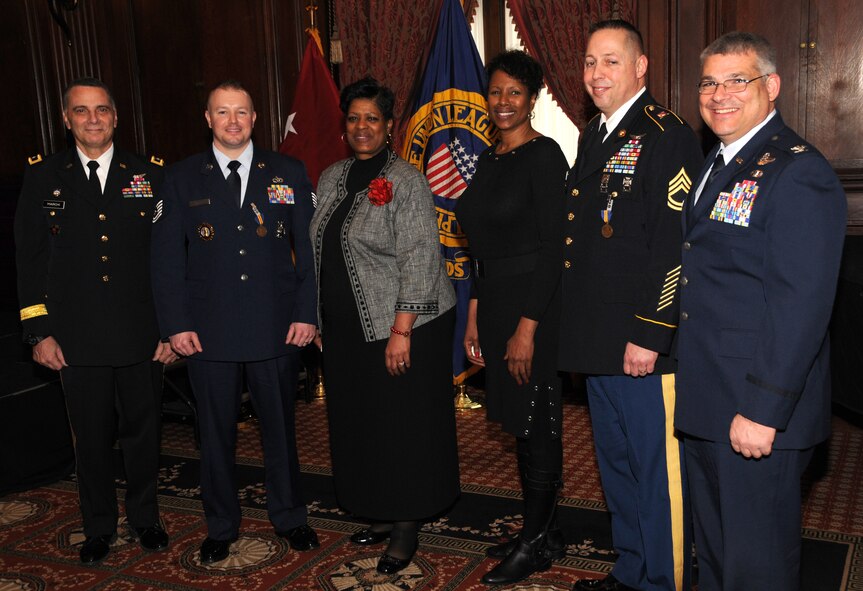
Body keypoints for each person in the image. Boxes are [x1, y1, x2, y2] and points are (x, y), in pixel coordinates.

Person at [676, 31, 846, 591]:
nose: (719, 94)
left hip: (755, 407)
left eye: (736, 81)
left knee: (758, 566)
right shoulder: (720, 160)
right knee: (720, 557)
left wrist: (764, 410)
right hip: (709, 397)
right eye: (709, 82)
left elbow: (800, 306)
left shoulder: (798, 172)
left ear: (771, 86)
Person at [558, 20, 703, 591]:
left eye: (611, 61)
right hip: (600, 338)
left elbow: (674, 247)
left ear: (641, 66)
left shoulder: (666, 133)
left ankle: (665, 579)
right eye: (591, 62)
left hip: (644, 343)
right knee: (617, 466)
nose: (597, 74)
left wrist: (651, 331)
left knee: (657, 473)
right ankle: (632, 570)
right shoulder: (595, 133)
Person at [150, 80, 319, 564]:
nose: (232, 121)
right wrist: (175, 325)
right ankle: (221, 525)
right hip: (207, 333)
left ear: (254, 118)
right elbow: (165, 260)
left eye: (241, 112)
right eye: (222, 112)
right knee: (215, 434)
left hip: (277, 327)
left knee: (281, 431)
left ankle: (290, 516)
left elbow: (307, 249)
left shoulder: (286, 171)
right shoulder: (182, 177)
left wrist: (307, 313)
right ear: (207, 119)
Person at [14, 78, 173, 564]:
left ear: (116, 116)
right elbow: (30, 257)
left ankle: (146, 518)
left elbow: (169, 259)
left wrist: (171, 328)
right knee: (91, 439)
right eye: (81, 111)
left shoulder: (148, 173)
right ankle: (98, 526)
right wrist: (39, 331)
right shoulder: (44, 177)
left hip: (141, 334)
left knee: (144, 434)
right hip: (76, 338)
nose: (93, 119)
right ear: (66, 120)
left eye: (102, 109)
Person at [310, 76, 460, 575]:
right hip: (348, 326)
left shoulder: (407, 180)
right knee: (362, 419)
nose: (361, 127)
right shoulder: (331, 176)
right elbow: (319, 251)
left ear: (390, 125)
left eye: (372, 118)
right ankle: (377, 505)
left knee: (403, 423)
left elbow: (420, 256)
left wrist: (401, 330)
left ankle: (405, 522)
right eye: (353, 118)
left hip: (407, 322)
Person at [455, 49, 568, 586]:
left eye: (514, 93)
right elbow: (481, 245)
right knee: (521, 426)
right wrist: (475, 313)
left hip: (533, 309)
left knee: (539, 424)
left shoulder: (545, 158)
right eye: (496, 91)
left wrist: (528, 326)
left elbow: (553, 251)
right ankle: (540, 530)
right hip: (495, 302)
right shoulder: (490, 157)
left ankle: (533, 544)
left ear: (533, 98)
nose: (503, 102)